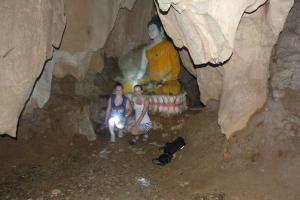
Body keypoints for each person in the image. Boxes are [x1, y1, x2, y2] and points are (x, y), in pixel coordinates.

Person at [140, 15, 181, 95]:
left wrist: (163, 80)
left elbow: (176, 68)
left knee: (170, 88)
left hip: (168, 82)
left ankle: (154, 91)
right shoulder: (147, 50)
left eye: (153, 29)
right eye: (149, 30)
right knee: (138, 87)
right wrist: (145, 81)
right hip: (152, 83)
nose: (150, 32)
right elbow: (143, 70)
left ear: (161, 30)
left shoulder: (168, 46)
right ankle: (152, 90)